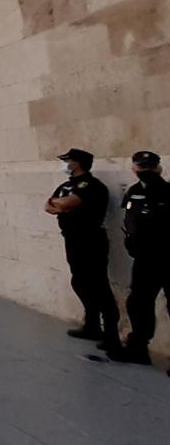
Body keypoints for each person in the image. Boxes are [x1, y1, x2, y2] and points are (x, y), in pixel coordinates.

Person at [44, 148, 121, 352]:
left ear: (76, 163)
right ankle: (92, 324)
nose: (64, 164)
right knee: (79, 281)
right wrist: (60, 206)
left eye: (67, 160)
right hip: (72, 239)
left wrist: (62, 205)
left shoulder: (91, 185)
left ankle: (111, 334)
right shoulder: (66, 185)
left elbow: (70, 202)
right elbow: (48, 205)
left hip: (91, 240)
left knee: (99, 285)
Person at [107, 151, 170, 366]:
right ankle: (138, 349)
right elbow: (129, 222)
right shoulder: (133, 192)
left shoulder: (167, 191)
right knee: (138, 303)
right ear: (134, 169)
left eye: (150, 167)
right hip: (145, 259)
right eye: (142, 167)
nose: (146, 171)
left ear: (158, 168)